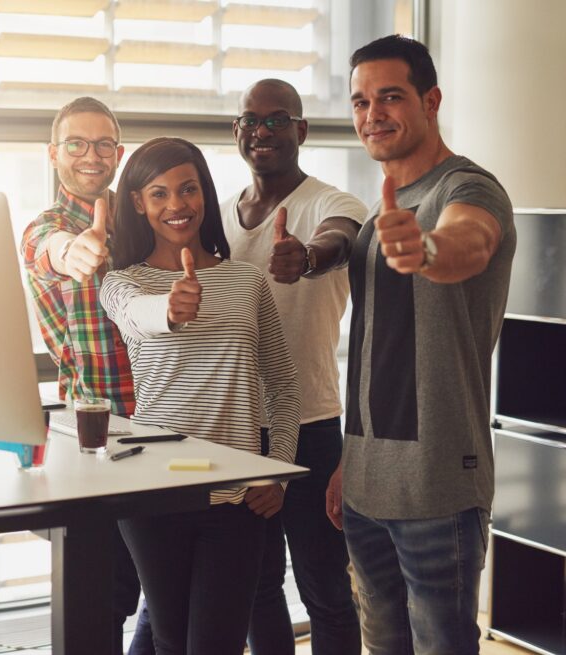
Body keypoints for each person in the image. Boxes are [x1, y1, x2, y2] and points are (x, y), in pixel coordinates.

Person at [326, 35, 516, 654]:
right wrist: (350, 461)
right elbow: (376, 352)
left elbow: (472, 241)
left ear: (430, 100)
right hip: (366, 483)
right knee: (381, 646)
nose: (371, 114)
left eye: (390, 97)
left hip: (438, 485)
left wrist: (427, 250)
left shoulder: (464, 189)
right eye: (359, 101)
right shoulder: (384, 209)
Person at [100, 137, 300, 655]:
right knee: (169, 639)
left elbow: (282, 385)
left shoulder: (245, 282)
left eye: (187, 189)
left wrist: (275, 471)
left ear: (204, 195)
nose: (176, 205)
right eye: (159, 193)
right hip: (153, 491)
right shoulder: (122, 284)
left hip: (235, 495)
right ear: (139, 203)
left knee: (218, 645)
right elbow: (140, 316)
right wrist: (170, 308)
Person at [221, 79, 365, 655]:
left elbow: (343, 239)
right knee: (256, 588)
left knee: (326, 590)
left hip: (310, 428)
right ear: (236, 132)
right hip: (236, 430)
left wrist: (306, 257)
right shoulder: (217, 220)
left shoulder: (331, 202)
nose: (262, 131)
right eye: (250, 121)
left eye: (278, 120)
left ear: (302, 130)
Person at [19, 96, 144, 654]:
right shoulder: (47, 226)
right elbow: (46, 249)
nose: (91, 156)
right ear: (54, 153)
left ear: (119, 153)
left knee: (164, 595)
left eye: (103, 144)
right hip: (98, 438)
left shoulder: (143, 214)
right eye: (76, 143)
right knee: (103, 600)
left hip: (170, 427)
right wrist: (73, 251)